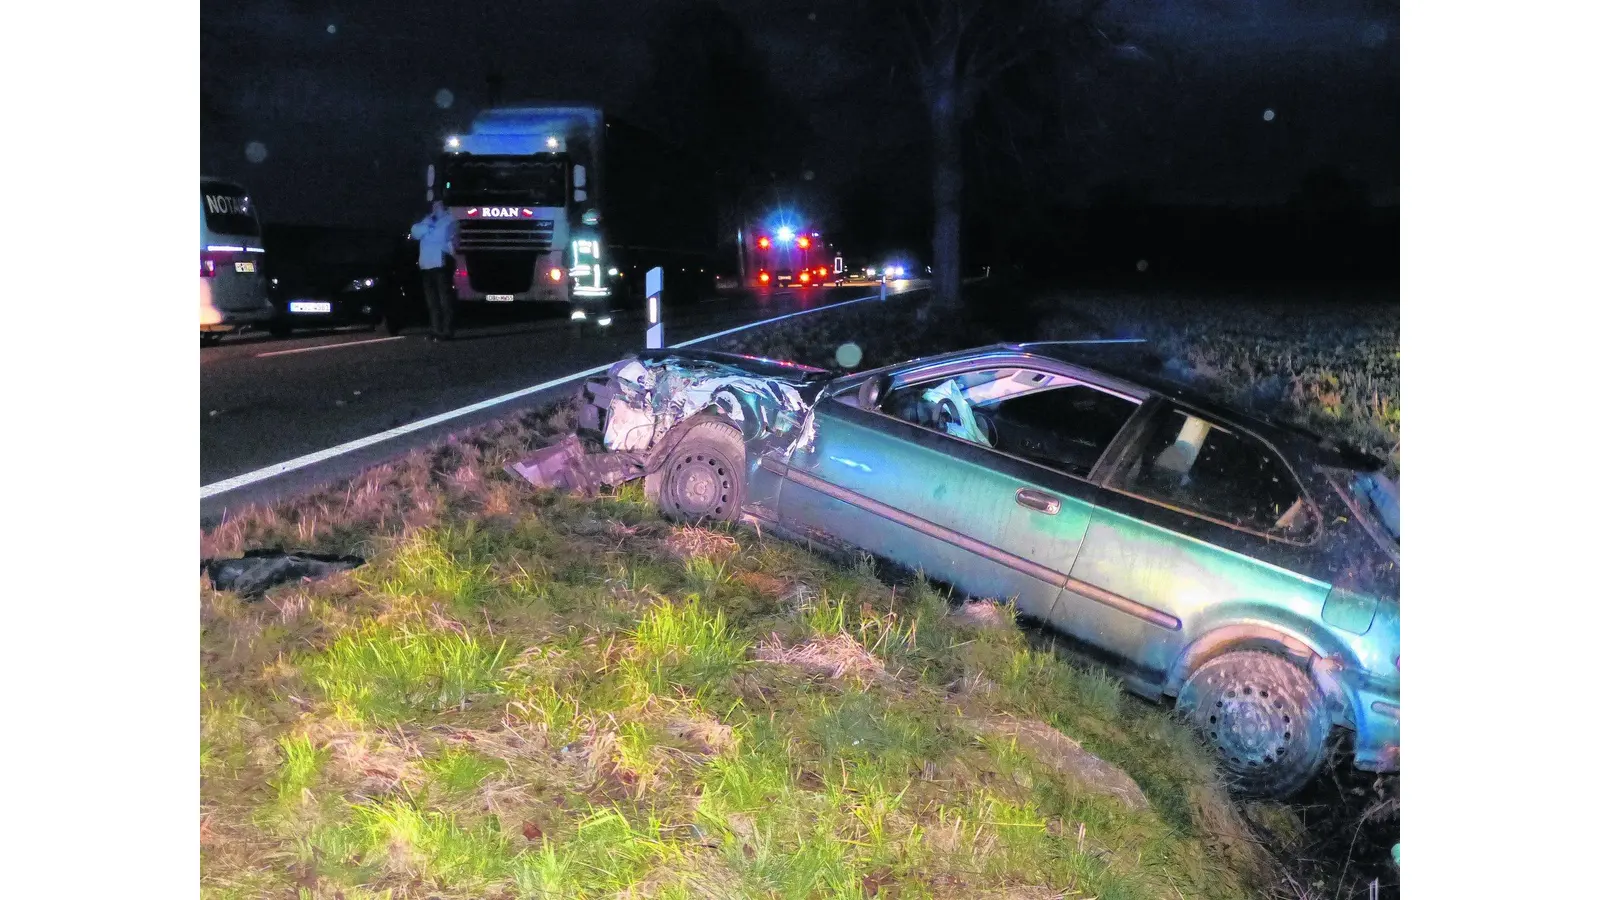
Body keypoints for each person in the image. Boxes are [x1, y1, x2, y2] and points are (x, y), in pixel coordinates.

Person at [409, 201, 458, 341]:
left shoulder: (450, 220)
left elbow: (442, 235)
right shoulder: (428, 220)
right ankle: (436, 329)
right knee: (432, 301)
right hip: (426, 265)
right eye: (434, 206)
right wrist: (428, 227)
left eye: (438, 205)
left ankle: (447, 331)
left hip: (441, 263)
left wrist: (427, 230)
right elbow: (415, 232)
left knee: (444, 299)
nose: (435, 208)